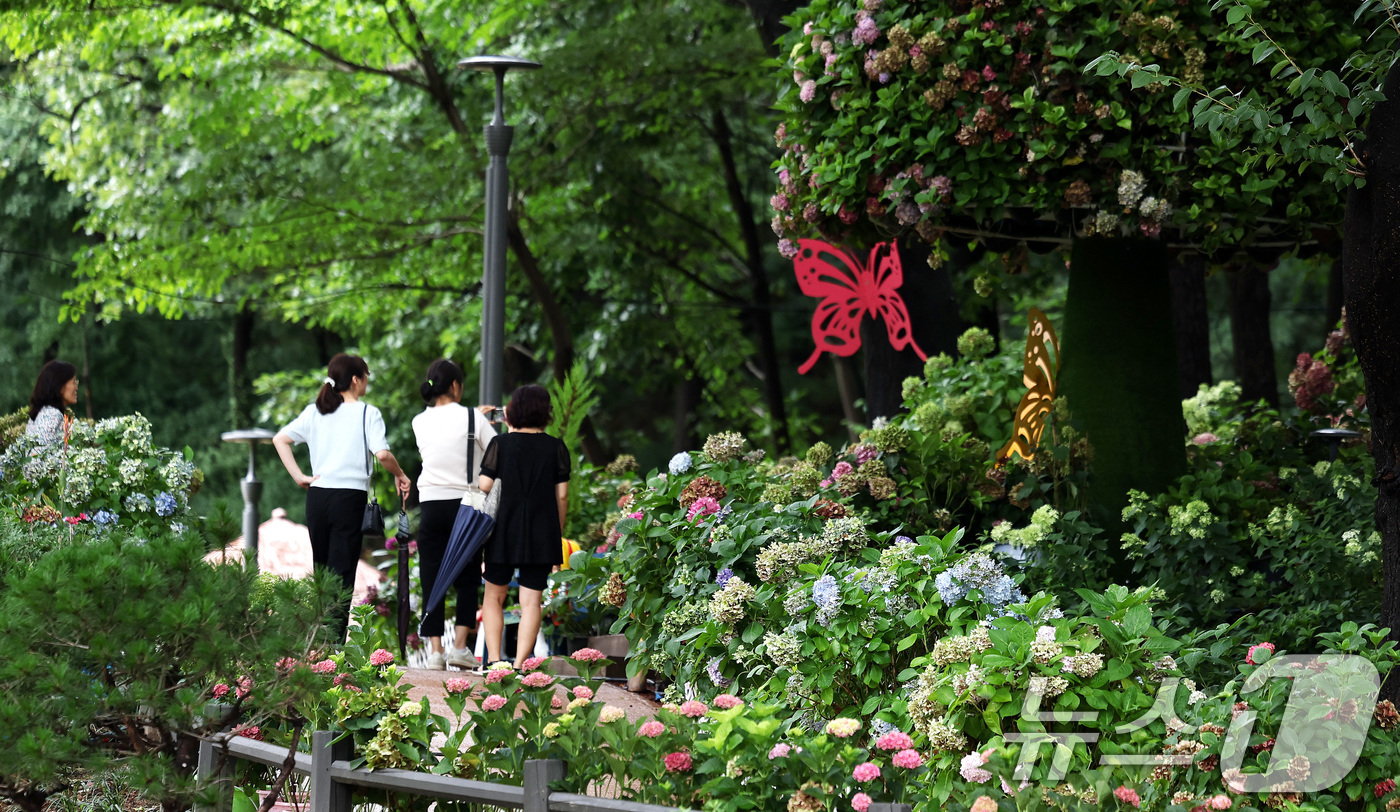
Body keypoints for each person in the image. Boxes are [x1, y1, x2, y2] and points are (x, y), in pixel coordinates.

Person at [273, 353, 411, 640]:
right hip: (349, 499)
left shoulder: (314, 412)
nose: (367, 382)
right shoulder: (366, 412)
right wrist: (400, 474)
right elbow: (382, 454)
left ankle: (316, 640)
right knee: (343, 571)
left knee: (322, 572)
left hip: (318, 497)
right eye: (366, 376)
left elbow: (280, 439)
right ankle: (332, 647)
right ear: (355, 380)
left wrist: (300, 476)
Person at [411, 358, 497, 671]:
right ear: (456, 386)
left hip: (431, 503)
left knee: (432, 575)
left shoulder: (419, 421)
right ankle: (460, 647)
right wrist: (480, 423)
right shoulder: (474, 418)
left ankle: (435, 652)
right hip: (466, 504)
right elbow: (495, 450)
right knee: (468, 574)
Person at [477, 384, 570, 670]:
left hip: (502, 529)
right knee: (531, 600)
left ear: (513, 411)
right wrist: (557, 530)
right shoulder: (556, 447)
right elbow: (562, 495)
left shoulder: (500, 444)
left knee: (495, 595)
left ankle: (493, 662)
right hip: (541, 531)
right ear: (545, 412)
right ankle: (519, 664)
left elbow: (484, 486)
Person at [25, 360, 78, 446]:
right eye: (73, 382)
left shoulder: (43, 412)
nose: (76, 388)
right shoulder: (52, 415)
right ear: (60, 386)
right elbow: (43, 453)